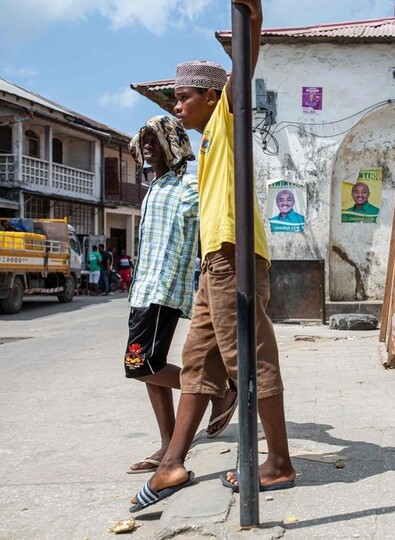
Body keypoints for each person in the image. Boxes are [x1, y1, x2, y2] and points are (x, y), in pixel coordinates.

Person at [130, 0, 295, 512]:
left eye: (182, 99)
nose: (176, 107)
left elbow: (242, 69)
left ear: (210, 96)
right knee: (199, 362)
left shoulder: (227, 117)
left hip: (234, 257)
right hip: (214, 263)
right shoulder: (204, 148)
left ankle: (280, 463)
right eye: (173, 99)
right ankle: (173, 463)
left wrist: (255, 19)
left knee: (252, 355)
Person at [124, 115, 237, 475]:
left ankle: (219, 392)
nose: (147, 146)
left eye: (154, 140)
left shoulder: (188, 187)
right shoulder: (153, 189)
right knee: (146, 369)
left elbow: (213, 226)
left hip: (164, 288)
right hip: (142, 289)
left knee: (141, 364)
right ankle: (168, 443)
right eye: (144, 140)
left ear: (171, 146)